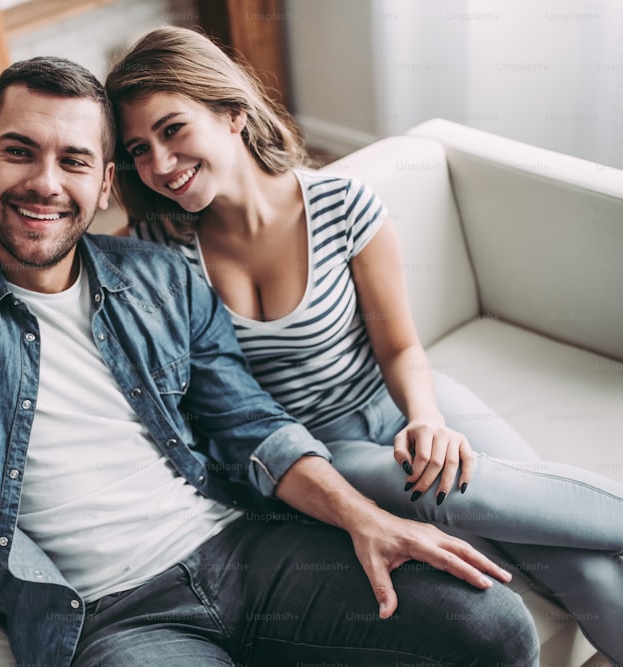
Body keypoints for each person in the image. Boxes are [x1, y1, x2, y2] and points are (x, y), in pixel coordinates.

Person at [0, 56, 540, 667]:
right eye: (19, 150)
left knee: (495, 624)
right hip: (110, 618)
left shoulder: (165, 276)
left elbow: (251, 424)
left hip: (243, 550)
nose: (44, 182)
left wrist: (363, 515)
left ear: (105, 185)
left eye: (73, 161)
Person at [105, 25, 623, 664]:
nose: (158, 164)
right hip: (327, 449)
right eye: (138, 149)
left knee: (576, 562)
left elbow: (401, 346)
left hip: (404, 399)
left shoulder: (341, 204)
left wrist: (429, 418)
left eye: (172, 129)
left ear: (232, 114)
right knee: (460, 492)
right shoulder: (158, 251)